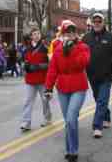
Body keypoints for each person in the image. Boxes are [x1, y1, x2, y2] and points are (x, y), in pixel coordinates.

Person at [45, 20, 90, 162]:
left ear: (76, 33)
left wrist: (72, 49)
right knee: (69, 121)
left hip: (78, 86)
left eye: (72, 32)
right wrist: (48, 87)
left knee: (71, 118)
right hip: (63, 88)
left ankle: (74, 151)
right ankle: (69, 149)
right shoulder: (57, 48)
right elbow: (53, 70)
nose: (70, 35)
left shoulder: (83, 47)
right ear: (63, 34)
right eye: (67, 32)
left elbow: (82, 63)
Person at [82, 12, 112, 138]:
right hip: (92, 75)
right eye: (94, 21)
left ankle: (97, 126)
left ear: (103, 23)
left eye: (99, 21)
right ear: (92, 23)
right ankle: (106, 116)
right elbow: (79, 55)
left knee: (102, 100)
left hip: (107, 75)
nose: (97, 23)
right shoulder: (85, 38)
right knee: (99, 99)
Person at [20, 28, 51, 131]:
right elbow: (23, 62)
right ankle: (26, 122)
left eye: (38, 33)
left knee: (45, 100)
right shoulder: (26, 49)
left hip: (42, 80)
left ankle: (47, 118)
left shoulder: (46, 49)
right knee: (28, 101)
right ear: (31, 36)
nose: (37, 35)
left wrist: (38, 66)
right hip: (30, 80)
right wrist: (25, 66)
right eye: (34, 34)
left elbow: (50, 64)